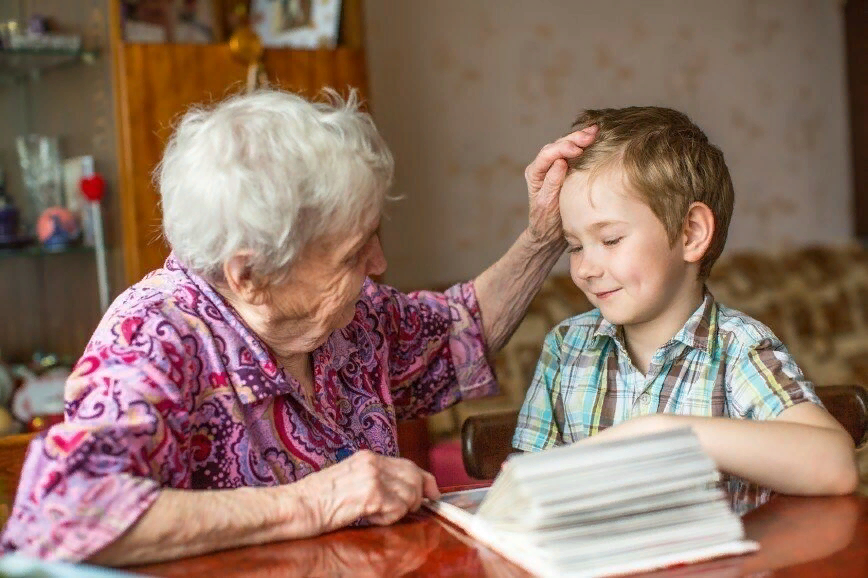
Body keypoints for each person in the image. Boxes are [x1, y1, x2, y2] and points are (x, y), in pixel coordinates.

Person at [1, 89, 597, 565]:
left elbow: (456, 332)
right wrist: (317, 499)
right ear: (250, 274)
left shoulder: (350, 315)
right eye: (353, 252)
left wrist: (544, 237)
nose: (379, 265)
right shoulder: (153, 336)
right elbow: (65, 511)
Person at [513, 107, 859, 512]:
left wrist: (662, 431)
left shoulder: (738, 350)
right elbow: (524, 493)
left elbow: (835, 465)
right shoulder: (566, 347)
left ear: (691, 233)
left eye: (609, 240)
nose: (586, 269)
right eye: (574, 246)